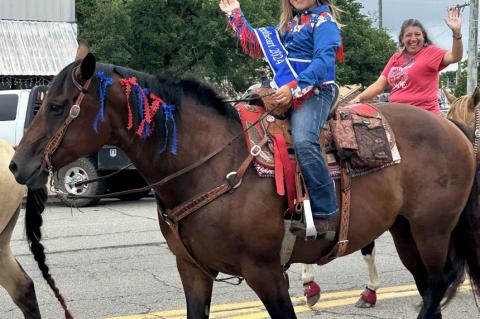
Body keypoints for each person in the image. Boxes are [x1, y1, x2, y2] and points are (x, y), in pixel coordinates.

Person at [219, 0, 344, 239]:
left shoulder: (325, 21)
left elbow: (323, 62)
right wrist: (234, 14)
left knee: (304, 141)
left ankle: (326, 211)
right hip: (283, 90)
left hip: (315, 91)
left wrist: (294, 86)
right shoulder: (288, 23)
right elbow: (256, 44)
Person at [352, 7, 463, 114]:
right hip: (396, 114)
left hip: (424, 115)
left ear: (424, 37)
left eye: (417, 34)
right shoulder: (396, 57)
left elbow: (455, 56)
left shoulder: (430, 52)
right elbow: (378, 86)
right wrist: (357, 99)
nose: (413, 39)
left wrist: (456, 33)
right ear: (402, 39)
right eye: (408, 35)